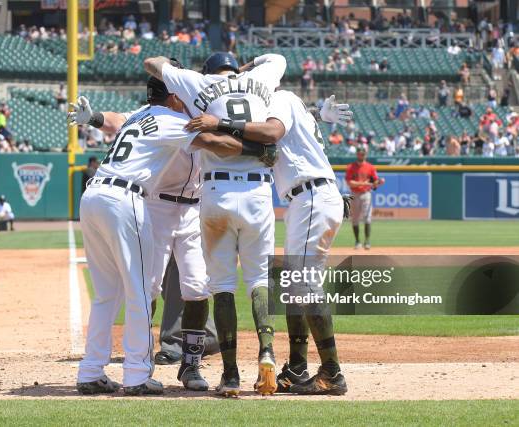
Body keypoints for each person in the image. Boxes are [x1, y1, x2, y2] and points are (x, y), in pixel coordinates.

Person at [67, 76, 275, 396]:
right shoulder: (175, 119)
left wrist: (93, 119)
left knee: (124, 291)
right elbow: (216, 144)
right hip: (142, 202)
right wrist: (256, 148)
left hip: (102, 196)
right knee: (141, 288)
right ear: (175, 98)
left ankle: (94, 370)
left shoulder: (142, 115)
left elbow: (114, 120)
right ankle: (137, 374)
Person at [187, 92, 353, 395]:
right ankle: (296, 367)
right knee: (293, 284)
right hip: (306, 197)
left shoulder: (280, 97)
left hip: (310, 195)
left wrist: (218, 122)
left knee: (303, 285)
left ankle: (331, 372)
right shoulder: (283, 104)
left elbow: (272, 131)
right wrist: (316, 112)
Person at [144, 52, 286, 396]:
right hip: (257, 190)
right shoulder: (264, 79)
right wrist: (249, 68)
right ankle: (266, 351)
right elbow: (278, 58)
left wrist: (180, 73)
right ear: (235, 67)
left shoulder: (198, 82)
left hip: (216, 191)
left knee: (222, 285)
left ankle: (231, 374)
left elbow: (151, 62)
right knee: (258, 280)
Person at [345, 147, 384, 249]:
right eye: (359, 153)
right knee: (355, 219)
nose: (361, 155)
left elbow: (374, 183)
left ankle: (367, 241)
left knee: (367, 218)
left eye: (363, 154)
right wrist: (364, 183)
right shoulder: (351, 167)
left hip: (366, 194)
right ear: (357, 154)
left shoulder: (370, 167)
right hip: (354, 194)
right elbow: (350, 183)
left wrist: (378, 182)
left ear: (365, 155)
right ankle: (357, 241)